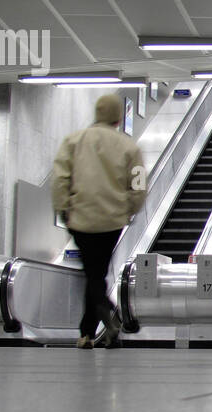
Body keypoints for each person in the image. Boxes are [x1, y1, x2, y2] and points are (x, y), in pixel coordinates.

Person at [52, 94, 147, 349]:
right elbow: (139, 184)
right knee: (96, 273)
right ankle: (101, 324)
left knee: (92, 274)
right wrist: (131, 209)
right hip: (112, 220)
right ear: (118, 117)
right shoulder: (130, 147)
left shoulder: (73, 141)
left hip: (80, 218)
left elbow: (60, 178)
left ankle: (90, 331)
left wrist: (63, 207)